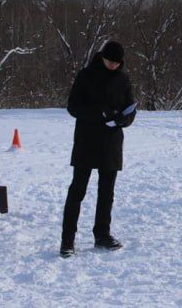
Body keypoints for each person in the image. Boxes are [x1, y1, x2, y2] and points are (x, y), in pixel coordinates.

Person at [60, 41, 136, 258]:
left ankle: (102, 234)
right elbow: (73, 106)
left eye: (117, 62)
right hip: (87, 139)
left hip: (111, 142)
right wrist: (99, 113)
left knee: (106, 192)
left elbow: (131, 108)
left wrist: (124, 119)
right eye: (110, 61)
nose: (114, 65)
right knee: (77, 190)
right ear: (102, 57)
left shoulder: (123, 79)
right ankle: (67, 240)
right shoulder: (86, 75)